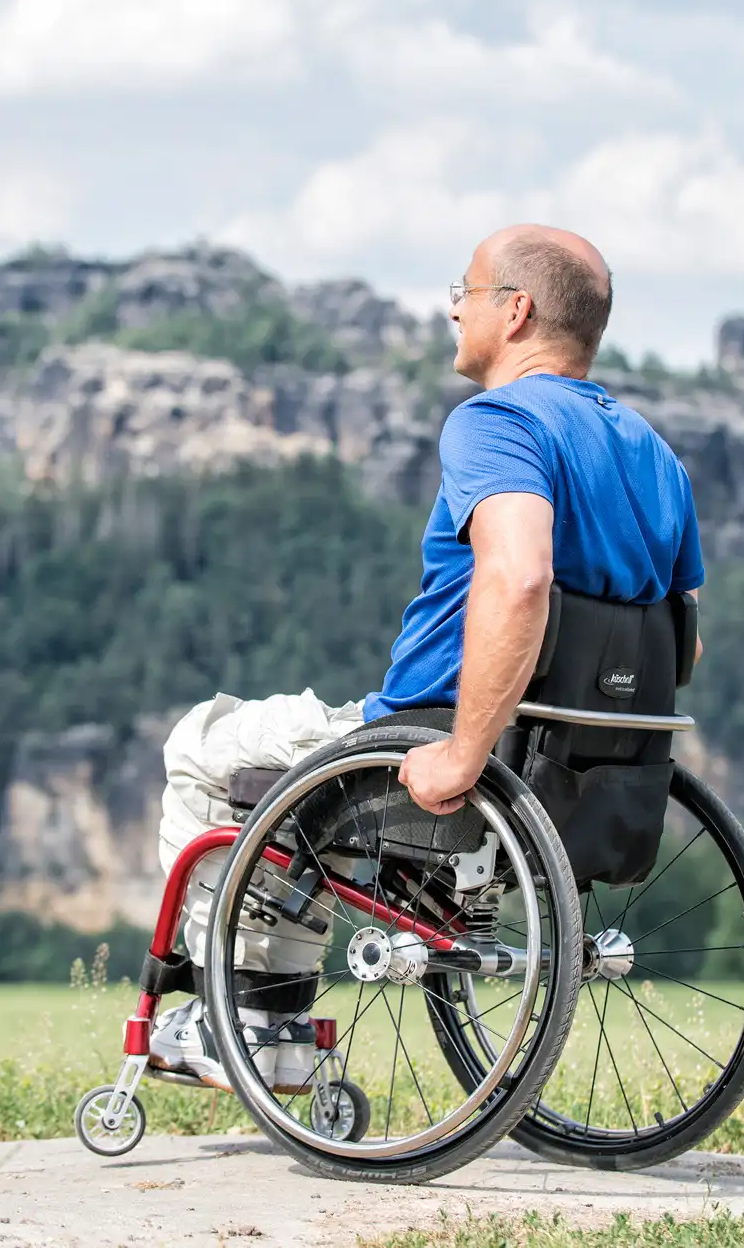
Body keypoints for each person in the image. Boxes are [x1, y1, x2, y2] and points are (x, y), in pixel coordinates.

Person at [147, 224, 706, 1089]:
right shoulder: (656, 457)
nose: (451, 305)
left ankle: (255, 1020)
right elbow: (683, 641)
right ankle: (264, 1003)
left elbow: (520, 577)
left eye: (467, 289)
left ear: (514, 311)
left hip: (436, 754)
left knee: (203, 746)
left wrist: (464, 753)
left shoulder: (498, 423)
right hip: (587, 781)